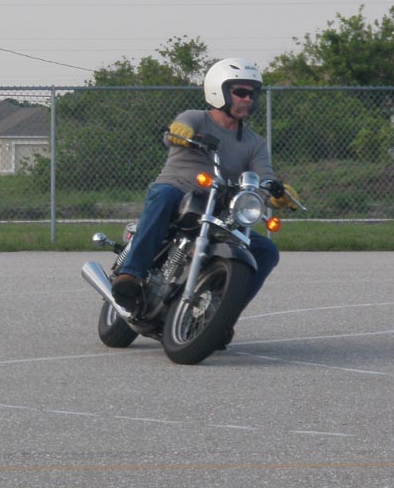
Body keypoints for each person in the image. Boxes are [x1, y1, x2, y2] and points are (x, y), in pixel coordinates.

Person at [111, 57, 285, 342]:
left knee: (266, 250)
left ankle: (222, 316)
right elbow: (176, 130)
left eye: (252, 93)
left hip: (218, 207)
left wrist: (275, 192)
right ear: (219, 91)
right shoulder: (195, 118)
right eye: (241, 92)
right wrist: (179, 133)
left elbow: (264, 175)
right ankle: (131, 273)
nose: (248, 99)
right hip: (179, 190)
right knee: (164, 195)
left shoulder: (254, 142)